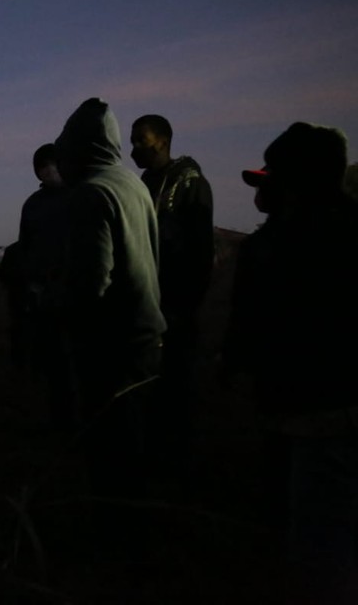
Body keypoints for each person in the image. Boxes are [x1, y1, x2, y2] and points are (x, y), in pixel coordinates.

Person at [221, 122, 358, 605]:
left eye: (274, 179)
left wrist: (234, 365)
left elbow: (255, 326)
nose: (264, 192)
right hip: (344, 407)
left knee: (318, 546)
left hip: (319, 412)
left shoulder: (283, 246)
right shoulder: (356, 229)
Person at [51, 98, 166, 500]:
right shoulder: (133, 184)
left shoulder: (91, 194)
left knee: (110, 452)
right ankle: (136, 534)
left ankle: (115, 543)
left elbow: (91, 285)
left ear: (80, 147)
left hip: (111, 349)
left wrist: (65, 322)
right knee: (136, 448)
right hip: (147, 340)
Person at [129, 114, 215, 494]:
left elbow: (200, 254)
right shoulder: (145, 184)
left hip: (177, 309)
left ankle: (182, 472)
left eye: (141, 140)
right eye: (132, 141)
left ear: (163, 141)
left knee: (177, 387)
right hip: (149, 308)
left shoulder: (192, 185)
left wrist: (184, 306)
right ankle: (154, 463)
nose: (134, 149)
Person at [13, 143, 75, 430]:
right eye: (42, 167)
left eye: (51, 164)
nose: (48, 171)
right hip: (44, 298)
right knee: (53, 366)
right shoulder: (34, 204)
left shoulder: (79, 196)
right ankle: (59, 422)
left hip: (77, 295)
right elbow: (25, 249)